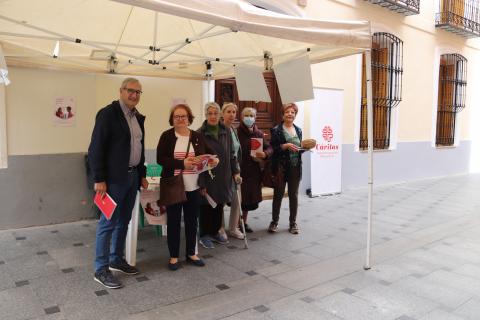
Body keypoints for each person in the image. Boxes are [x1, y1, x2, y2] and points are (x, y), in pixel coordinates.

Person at [88, 77, 149, 289]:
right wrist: (99, 179)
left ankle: (116, 259)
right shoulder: (108, 114)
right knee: (107, 224)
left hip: (132, 178)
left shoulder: (138, 118)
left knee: (124, 221)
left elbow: (139, 149)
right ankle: (100, 268)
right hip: (112, 181)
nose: (134, 95)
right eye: (130, 91)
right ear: (121, 91)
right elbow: (96, 148)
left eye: (138, 92)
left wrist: (141, 174)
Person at [157, 103, 216, 271]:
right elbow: (161, 159)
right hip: (174, 186)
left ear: (189, 118)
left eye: (183, 116)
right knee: (174, 222)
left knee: (192, 221)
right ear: (172, 119)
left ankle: (191, 253)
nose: (180, 119)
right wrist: (182, 163)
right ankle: (174, 256)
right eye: (177, 116)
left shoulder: (198, 137)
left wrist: (214, 160)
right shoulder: (167, 136)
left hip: (194, 186)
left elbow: (210, 154)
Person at [198, 102, 240, 249]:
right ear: (206, 115)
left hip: (224, 175)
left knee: (219, 205)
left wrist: (235, 172)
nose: (213, 116)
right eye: (210, 113)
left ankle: (215, 232)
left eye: (216, 113)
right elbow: (200, 161)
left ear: (219, 115)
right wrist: (201, 183)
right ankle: (204, 235)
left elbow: (232, 155)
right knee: (206, 206)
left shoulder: (226, 131)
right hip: (208, 177)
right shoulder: (200, 133)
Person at [268, 103, 304, 235]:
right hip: (281, 168)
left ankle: (293, 223)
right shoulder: (276, 130)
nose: (290, 114)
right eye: (287, 112)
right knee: (278, 195)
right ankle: (274, 222)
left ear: (295, 115)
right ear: (283, 114)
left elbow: (299, 148)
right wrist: (285, 146)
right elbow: (273, 149)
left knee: (293, 196)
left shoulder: (299, 130)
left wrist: (304, 148)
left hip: (295, 167)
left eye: (293, 112)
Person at [237, 107, 272, 233]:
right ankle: (235, 224)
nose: (249, 118)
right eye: (246, 115)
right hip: (240, 171)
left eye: (251, 115)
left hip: (254, 172)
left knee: (248, 201)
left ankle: (243, 223)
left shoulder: (259, 134)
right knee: (238, 200)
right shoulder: (236, 132)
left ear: (255, 117)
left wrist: (265, 154)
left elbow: (270, 148)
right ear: (242, 117)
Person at [221, 103, 244, 239]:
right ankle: (220, 228)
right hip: (224, 170)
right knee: (221, 200)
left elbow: (236, 151)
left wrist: (237, 169)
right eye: (228, 111)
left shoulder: (234, 129)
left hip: (235, 170)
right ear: (222, 114)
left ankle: (233, 227)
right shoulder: (220, 130)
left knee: (237, 199)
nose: (231, 114)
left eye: (234, 112)